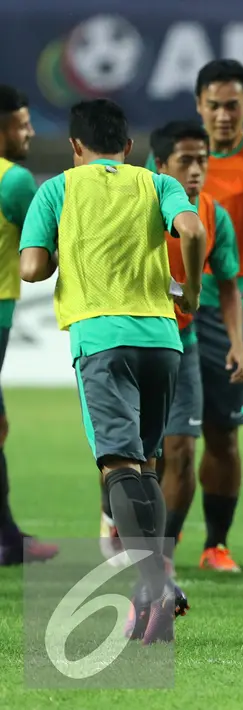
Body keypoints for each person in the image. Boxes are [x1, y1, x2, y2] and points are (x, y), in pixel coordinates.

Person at [19, 98, 206, 643]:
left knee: (119, 467)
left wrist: (57, 251)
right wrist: (189, 290)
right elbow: (191, 232)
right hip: (162, 340)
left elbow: (31, 267)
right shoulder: (155, 183)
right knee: (148, 464)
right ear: (129, 147)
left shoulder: (57, 189)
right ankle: (156, 590)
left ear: (75, 147)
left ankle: (154, 585)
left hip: (101, 339)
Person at [146, 60, 243, 573]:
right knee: (162, 438)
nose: (224, 115)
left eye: (233, 105)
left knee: (223, 432)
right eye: (214, 105)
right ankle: (144, 538)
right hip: (165, 306)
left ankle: (215, 544)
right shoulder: (177, 157)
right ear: (200, 105)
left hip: (234, 305)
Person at [149, 120, 243, 569]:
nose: (195, 171)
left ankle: (168, 555)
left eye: (202, 161)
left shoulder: (212, 214)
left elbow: (228, 285)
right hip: (136, 338)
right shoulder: (137, 205)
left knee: (184, 448)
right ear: (160, 164)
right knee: (135, 452)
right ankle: (117, 524)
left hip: (185, 339)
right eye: (185, 161)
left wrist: (237, 343)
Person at [0, 85, 57, 566]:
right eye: (21, 124)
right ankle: (6, 540)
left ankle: (7, 537)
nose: (30, 131)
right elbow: (45, 244)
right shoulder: (14, 181)